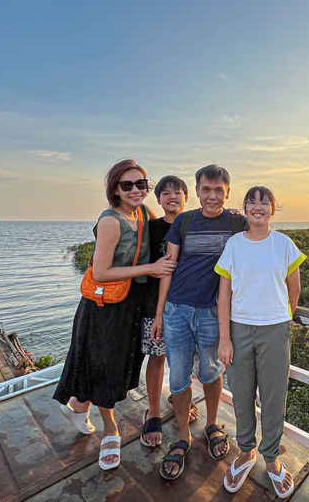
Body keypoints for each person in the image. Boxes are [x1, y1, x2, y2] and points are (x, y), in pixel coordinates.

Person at [53, 159, 177, 471]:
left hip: (130, 303)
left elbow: (172, 223)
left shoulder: (143, 213)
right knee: (105, 366)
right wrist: (151, 268)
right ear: (115, 189)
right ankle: (110, 429)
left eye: (141, 184)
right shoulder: (110, 221)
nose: (136, 190)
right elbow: (101, 270)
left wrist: (225, 217)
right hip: (105, 306)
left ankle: (79, 406)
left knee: (116, 364)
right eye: (127, 185)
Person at [150, 164, 246, 480]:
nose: (213, 196)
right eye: (206, 189)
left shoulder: (237, 222)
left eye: (219, 190)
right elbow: (168, 267)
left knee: (211, 371)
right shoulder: (184, 220)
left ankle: (211, 424)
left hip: (211, 313)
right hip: (177, 310)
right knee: (177, 376)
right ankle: (182, 435)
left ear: (228, 192)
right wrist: (160, 314)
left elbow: (257, 250)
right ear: (198, 190)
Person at [216, 186, 305, 498]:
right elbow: (223, 293)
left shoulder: (283, 244)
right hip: (239, 329)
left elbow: (294, 287)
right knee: (241, 394)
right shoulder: (234, 244)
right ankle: (245, 452)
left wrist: (282, 316)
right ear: (244, 209)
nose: (257, 206)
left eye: (263, 202)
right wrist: (224, 338)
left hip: (275, 329)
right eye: (251, 201)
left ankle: (271, 458)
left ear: (272, 210)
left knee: (273, 396)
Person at [139, 175, 200, 447]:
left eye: (178, 192)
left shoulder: (195, 224)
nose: (172, 197)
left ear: (187, 197)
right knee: (157, 355)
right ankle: (153, 410)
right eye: (166, 193)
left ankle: (177, 398)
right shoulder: (149, 228)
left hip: (191, 304)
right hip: (155, 302)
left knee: (184, 359)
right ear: (158, 199)